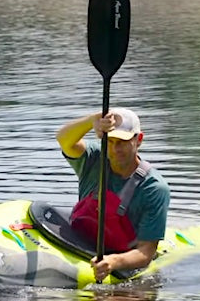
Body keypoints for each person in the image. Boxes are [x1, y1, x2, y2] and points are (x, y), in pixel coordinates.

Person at [56, 108, 170, 281]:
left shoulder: (154, 188)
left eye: (122, 142)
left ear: (138, 140)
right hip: (77, 241)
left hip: (120, 256)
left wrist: (114, 261)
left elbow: (146, 252)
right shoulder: (94, 158)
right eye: (110, 141)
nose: (115, 148)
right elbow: (64, 140)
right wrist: (93, 120)